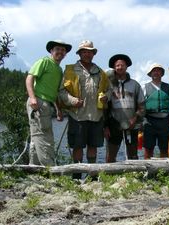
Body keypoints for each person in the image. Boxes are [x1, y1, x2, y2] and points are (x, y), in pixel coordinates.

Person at [59, 40, 110, 179]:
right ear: (80, 53)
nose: (87, 54)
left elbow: (109, 90)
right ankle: (76, 177)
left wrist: (106, 97)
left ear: (93, 54)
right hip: (77, 115)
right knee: (77, 146)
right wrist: (72, 101)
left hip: (96, 115)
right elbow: (62, 91)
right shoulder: (69, 70)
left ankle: (92, 177)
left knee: (93, 146)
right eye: (84, 51)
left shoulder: (101, 72)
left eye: (90, 52)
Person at [26, 40, 72, 166]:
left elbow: (55, 92)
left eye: (63, 50)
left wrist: (58, 109)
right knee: (44, 136)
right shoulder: (44, 62)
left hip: (47, 103)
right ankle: (50, 169)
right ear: (51, 51)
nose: (60, 52)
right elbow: (29, 78)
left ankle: (34, 168)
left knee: (37, 138)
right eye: (58, 49)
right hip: (38, 101)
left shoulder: (58, 69)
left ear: (65, 54)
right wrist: (33, 97)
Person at [104, 54, 145, 163]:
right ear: (114, 67)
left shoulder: (135, 85)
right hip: (114, 124)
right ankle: (108, 177)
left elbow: (142, 106)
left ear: (127, 66)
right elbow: (104, 107)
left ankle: (135, 176)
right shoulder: (108, 85)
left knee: (133, 155)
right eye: (117, 65)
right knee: (111, 155)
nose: (120, 67)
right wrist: (105, 126)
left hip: (132, 125)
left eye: (122, 65)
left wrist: (135, 118)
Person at [142, 63, 169, 159]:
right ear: (150, 74)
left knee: (164, 148)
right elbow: (140, 104)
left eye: (159, 70)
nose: (156, 73)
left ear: (162, 73)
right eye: (154, 71)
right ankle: (147, 169)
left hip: (165, 122)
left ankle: (164, 169)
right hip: (149, 122)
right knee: (148, 148)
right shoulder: (144, 87)